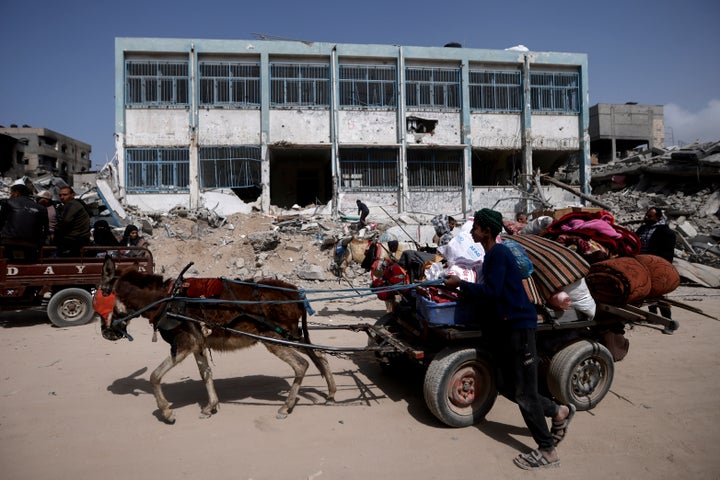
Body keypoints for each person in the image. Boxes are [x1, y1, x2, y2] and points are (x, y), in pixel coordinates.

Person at [444, 208, 575, 470]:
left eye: (477, 227)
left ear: (487, 231)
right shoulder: (491, 255)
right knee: (504, 384)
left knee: (525, 393)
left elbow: (492, 293)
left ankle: (548, 452)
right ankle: (558, 411)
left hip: (518, 327)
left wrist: (460, 284)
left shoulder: (499, 255)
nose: (472, 231)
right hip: (505, 328)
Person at [636, 207, 677, 318]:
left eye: (650, 216)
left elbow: (668, 254)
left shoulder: (666, 233)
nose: (646, 218)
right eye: (646, 215)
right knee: (648, 291)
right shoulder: (643, 229)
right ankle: (652, 315)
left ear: (658, 217)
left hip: (657, 268)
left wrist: (663, 268)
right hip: (642, 266)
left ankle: (667, 319)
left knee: (660, 293)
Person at [0, 184, 49, 260]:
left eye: (11, 193)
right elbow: (46, 228)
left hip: (10, 241)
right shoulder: (41, 208)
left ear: (16, 193)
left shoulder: (8, 202)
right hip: (32, 243)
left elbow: (1, 221)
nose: (10, 195)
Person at [54, 186, 91, 257]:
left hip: (74, 239)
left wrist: (56, 232)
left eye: (65, 195)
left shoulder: (72, 204)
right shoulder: (74, 204)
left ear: (72, 195)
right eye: (60, 195)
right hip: (79, 238)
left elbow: (65, 222)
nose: (62, 197)